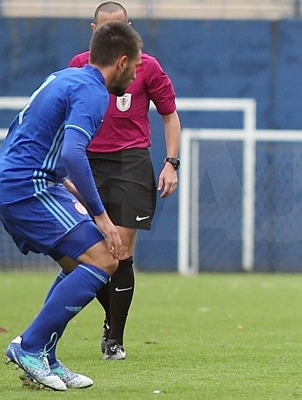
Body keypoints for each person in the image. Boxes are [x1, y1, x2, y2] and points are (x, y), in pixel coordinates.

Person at [0, 21, 142, 390]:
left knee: (79, 263)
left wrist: (67, 187)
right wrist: (102, 217)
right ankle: (29, 346)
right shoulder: (93, 93)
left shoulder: (64, 77)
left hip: (22, 179)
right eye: (136, 67)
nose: (136, 76)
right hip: (27, 186)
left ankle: (47, 356)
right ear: (121, 62)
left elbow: (33, 136)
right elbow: (74, 152)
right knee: (106, 257)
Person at [68, 1, 181, 361]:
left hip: (131, 162)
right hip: (87, 163)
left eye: (121, 28)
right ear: (93, 31)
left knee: (122, 249)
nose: (115, 36)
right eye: (107, 29)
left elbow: (170, 117)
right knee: (85, 254)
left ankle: (114, 339)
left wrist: (170, 163)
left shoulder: (147, 67)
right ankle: (110, 314)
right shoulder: (78, 66)